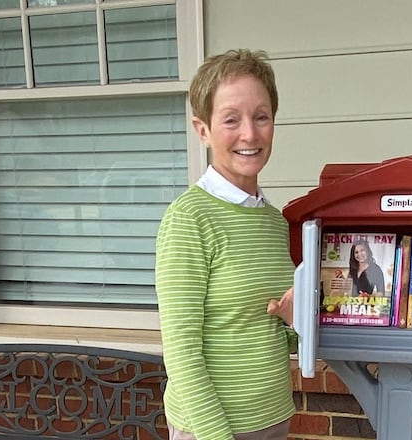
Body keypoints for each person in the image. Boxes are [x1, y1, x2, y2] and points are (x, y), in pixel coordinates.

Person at [155, 49, 296, 440]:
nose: (250, 134)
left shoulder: (274, 222)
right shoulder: (189, 219)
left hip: (272, 418)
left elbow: (274, 333)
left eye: (261, 116)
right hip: (211, 429)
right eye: (231, 119)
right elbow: (181, 351)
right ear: (203, 130)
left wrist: (295, 320)